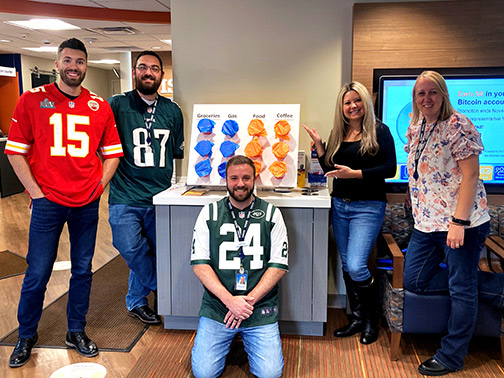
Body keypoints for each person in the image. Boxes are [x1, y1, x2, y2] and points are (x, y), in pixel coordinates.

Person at [5, 38, 123, 368]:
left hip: (86, 201)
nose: (74, 66)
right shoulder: (31, 100)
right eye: (67, 60)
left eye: (80, 61)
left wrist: (98, 187)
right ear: (57, 64)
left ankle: (75, 330)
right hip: (48, 202)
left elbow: (113, 154)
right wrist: (36, 192)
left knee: (83, 270)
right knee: (38, 271)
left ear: (86, 65)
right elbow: (15, 151)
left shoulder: (99, 105)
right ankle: (26, 334)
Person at [402, 70, 490, 376]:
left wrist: (458, 221)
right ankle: (497, 290)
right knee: (415, 280)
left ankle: (452, 355)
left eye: (432, 92)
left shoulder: (458, 125)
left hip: (461, 223)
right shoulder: (417, 126)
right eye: (420, 94)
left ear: (443, 94)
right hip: (426, 225)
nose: (426, 99)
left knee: (461, 289)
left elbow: (471, 176)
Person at [303, 81, 396, 345]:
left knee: (356, 265)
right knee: (347, 265)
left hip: (368, 206)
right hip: (340, 205)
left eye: (357, 100)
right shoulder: (339, 132)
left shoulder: (380, 131)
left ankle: (371, 320)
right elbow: (330, 167)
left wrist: (355, 174)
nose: (353, 106)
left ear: (365, 102)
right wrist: (320, 146)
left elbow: (390, 169)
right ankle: (357, 318)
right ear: (341, 107)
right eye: (347, 102)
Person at [190, 155, 288, 378]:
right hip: (219, 307)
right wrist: (230, 301)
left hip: (259, 307)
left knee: (270, 374)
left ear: (255, 179)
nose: (240, 183)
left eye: (246, 177)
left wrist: (245, 304)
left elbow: (278, 266)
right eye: (234, 178)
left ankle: (243, 336)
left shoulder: (272, 214)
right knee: (204, 373)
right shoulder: (209, 213)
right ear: (226, 179)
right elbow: (199, 265)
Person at [107, 51, 184, 324]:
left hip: (160, 195)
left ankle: (137, 301)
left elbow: (177, 152)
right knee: (130, 247)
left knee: (152, 250)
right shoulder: (116, 104)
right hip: (125, 195)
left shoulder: (172, 110)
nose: (148, 72)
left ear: (161, 75)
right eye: (142, 67)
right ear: (135, 72)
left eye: (154, 68)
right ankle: (160, 287)